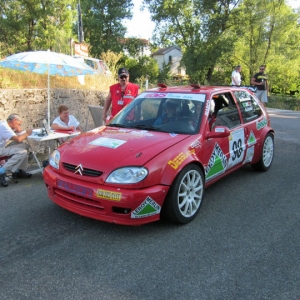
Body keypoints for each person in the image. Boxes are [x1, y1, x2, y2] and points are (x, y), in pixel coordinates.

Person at [0, 113, 33, 187]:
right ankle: (2, 170)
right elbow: (18, 139)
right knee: (22, 152)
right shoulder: (4, 127)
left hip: (2, 148)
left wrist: (18, 131)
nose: (19, 126)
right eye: (19, 124)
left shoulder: (4, 124)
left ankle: (19, 171)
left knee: (25, 146)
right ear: (14, 120)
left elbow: (15, 136)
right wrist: (27, 133)